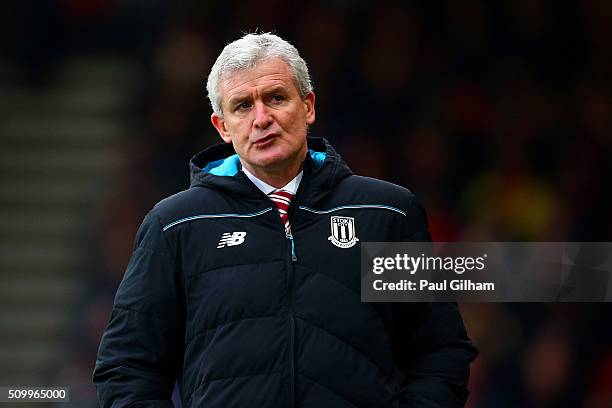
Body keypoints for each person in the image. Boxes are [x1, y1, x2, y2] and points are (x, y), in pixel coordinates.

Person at [93, 32, 478, 408]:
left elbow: (441, 350)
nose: (262, 118)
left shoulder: (388, 213)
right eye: (243, 105)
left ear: (308, 106)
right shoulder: (175, 225)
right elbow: (126, 367)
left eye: (276, 98)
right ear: (222, 126)